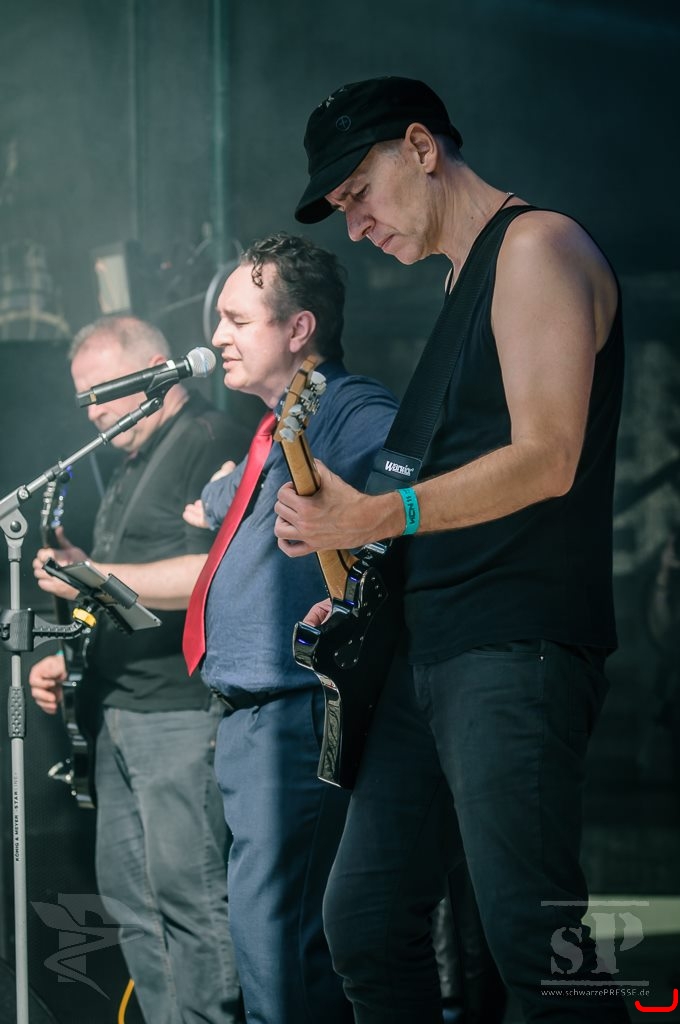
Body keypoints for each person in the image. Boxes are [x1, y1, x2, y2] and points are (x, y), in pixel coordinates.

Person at [274, 76, 630, 1022]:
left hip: (511, 646)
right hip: (427, 651)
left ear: (423, 148)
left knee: (534, 940)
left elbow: (548, 458)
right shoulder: (460, 279)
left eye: (359, 193)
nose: (356, 227)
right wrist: (361, 574)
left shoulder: (538, 247)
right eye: (342, 208)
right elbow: (453, 478)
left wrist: (372, 519)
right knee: (364, 924)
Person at [180, 232, 397, 1024]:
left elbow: (402, 488)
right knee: (266, 940)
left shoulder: (350, 407)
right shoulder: (276, 430)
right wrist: (216, 495)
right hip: (254, 718)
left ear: (298, 329)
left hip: (295, 713)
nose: (217, 336)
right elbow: (231, 497)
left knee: (282, 946)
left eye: (237, 320)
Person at [30, 315, 248, 1024]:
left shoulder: (209, 438)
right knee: (133, 908)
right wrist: (69, 646)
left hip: (178, 712)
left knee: (191, 902)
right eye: (83, 399)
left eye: (102, 391)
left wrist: (89, 576)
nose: (93, 412)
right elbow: (126, 594)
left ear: (156, 369)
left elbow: (207, 576)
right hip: (117, 710)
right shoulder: (129, 460)